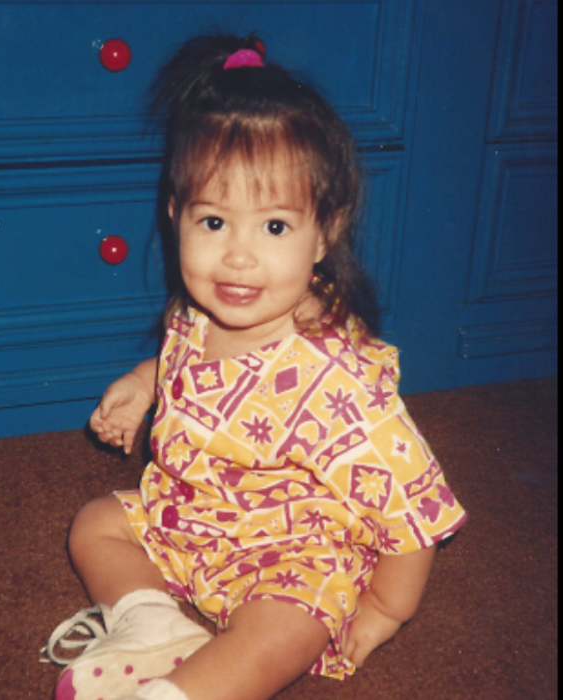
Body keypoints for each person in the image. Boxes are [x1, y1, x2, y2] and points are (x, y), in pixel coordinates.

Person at [44, 35, 468, 700]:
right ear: (174, 214)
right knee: (94, 523)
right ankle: (154, 625)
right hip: (193, 515)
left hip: (293, 552)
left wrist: (385, 610)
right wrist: (140, 382)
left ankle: (178, 692)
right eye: (213, 222)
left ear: (323, 233)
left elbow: (409, 507)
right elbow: (176, 357)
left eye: (272, 227)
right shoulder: (197, 313)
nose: (237, 257)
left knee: (283, 632)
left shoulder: (339, 383)